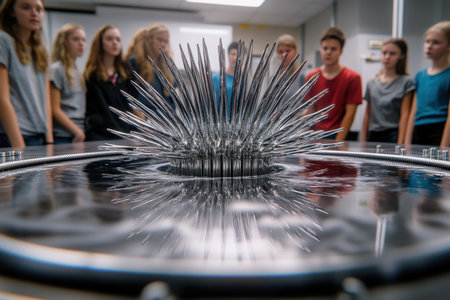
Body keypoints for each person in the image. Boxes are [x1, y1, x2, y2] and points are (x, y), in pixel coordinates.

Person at [0, 0, 52, 148]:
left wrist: (49, 138)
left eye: (39, 9)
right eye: (26, 7)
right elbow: (2, 98)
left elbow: (45, 97)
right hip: (13, 136)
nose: (34, 13)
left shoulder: (40, 51)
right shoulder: (3, 41)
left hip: (39, 136)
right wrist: (19, 146)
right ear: (11, 11)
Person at [305, 27, 362, 141]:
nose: (328, 52)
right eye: (325, 48)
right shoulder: (311, 77)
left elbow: (350, 114)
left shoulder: (352, 77)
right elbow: (310, 111)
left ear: (341, 51)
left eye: (333, 49)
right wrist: (307, 138)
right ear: (320, 50)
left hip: (339, 135)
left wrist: (338, 142)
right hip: (316, 136)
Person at [83, 24, 134, 141]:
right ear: (100, 43)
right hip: (101, 135)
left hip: (126, 133)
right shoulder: (92, 74)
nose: (115, 42)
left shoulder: (126, 71)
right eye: (110, 39)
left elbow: (132, 104)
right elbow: (97, 110)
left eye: (118, 39)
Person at [361, 38, 415, 144]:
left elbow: (405, 115)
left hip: (393, 134)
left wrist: (401, 143)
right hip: (373, 134)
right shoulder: (372, 83)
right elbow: (367, 114)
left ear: (402, 56)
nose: (387, 57)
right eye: (384, 53)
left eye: (392, 53)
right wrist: (363, 141)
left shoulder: (407, 82)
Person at [406, 21, 450, 147]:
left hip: (439, 130)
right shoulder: (420, 75)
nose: (429, 46)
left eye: (436, 42)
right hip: (418, 129)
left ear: (448, 46)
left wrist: (444, 146)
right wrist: (407, 143)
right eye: (427, 41)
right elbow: (413, 111)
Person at [50, 23, 86, 144]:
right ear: (64, 42)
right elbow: (54, 109)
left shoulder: (77, 71)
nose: (81, 43)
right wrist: (77, 131)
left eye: (83, 40)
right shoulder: (56, 69)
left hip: (79, 133)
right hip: (63, 135)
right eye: (76, 39)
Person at [125, 23, 174, 111]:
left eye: (166, 41)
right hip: (142, 120)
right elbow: (128, 94)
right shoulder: (135, 62)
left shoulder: (167, 66)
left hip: (164, 120)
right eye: (159, 40)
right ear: (149, 40)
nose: (163, 44)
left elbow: (171, 100)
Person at [275, 34, 305, 99]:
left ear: (295, 52)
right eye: (280, 52)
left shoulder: (302, 76)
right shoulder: (274, 78)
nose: (284, 54)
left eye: (288, 51)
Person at [212, 41, 238, 113]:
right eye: (233, 54)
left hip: (238, 123)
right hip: (218, 123)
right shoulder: (215, 78)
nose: (235, 57)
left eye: (238, 55)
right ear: (228, 55)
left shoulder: (243, 81)